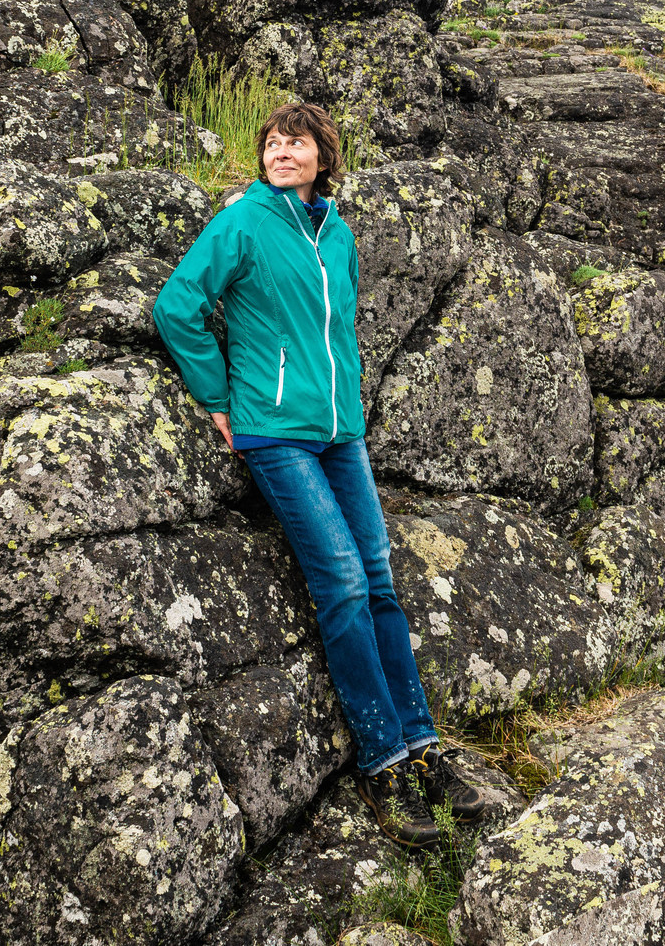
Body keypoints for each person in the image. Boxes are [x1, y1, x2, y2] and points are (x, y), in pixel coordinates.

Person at [151, 101, 494, 849]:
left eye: (295, 142)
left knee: (378, 578)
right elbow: (177, 307)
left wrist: (351, 404)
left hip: (342, 434)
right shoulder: (241, 222)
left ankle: (422, 746)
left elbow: (336, 331)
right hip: (275, 433)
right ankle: (384, 764)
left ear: (322, 157)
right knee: (339, 576)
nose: (280, 150)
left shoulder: (337, 234)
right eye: (271, 142)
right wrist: (217, 396)